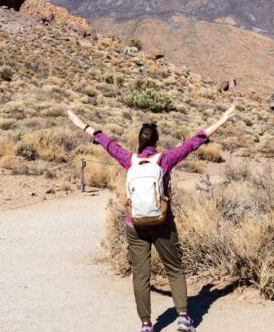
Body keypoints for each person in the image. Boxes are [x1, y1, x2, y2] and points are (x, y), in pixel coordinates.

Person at [65, 106, 236, 332]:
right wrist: (222, 118)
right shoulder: (165, 159)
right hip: (162, 223)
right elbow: (195, 141)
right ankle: (184, 317)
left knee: (141, 275)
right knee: (174, 268)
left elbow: (106, 142)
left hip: (134, 224)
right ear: (156, 142)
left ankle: (146, 325)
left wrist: (81, 124)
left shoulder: (128, 159)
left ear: (139, 140)